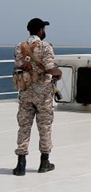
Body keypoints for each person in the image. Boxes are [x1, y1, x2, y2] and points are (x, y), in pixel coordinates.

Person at [12, 18, 61, 176]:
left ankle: (20, 165)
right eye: (43, 29)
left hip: (25, 92)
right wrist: (58, 73)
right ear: (40, 30)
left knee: (24, 127)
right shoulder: (45, 46)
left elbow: (20, 65)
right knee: (44, 127)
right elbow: (50, 68)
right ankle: (44, 163)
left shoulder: (19, 47)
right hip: (43, 95)